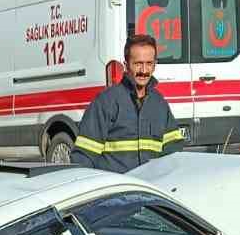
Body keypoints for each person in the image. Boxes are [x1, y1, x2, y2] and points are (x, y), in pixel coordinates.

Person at [71, 33, 184, 172]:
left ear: (155, 65)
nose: (143, 71)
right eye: (138, 64)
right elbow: (83, 158)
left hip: (149, 189)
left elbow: (174, 154)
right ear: (126, 65)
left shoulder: (159, 104)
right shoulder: (106, 102)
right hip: (115, 190)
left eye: (149, 64)